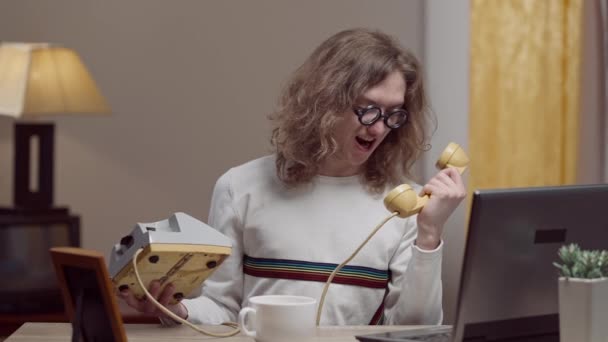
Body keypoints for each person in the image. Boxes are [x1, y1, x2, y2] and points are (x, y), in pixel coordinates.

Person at [120, 27, 466, 326]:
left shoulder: (405, 205)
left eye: (393, 114)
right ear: (325, 101)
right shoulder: (239, 187)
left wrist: (429, 233)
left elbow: (413, 330)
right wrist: (175, 309)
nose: (378, 128)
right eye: (368, 109)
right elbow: (224, 308)